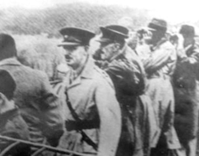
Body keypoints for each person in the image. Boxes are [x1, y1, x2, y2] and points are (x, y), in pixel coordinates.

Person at [0, 33, 64, 146]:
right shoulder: (39, 77)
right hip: (33, 147)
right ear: (15, 52)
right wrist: (53, 141)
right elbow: (55, 122)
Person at [57, 27, 121, 156]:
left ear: (86, 49)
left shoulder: (99, 80)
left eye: (73, 49)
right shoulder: (68, 76)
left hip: (88, 146)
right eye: (65, 48)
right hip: (66, 145)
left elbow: (111, 124)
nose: (66, 53)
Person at [95, 25, 157, 156]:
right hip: (133, 105)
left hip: (132, 110)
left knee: (128, 145)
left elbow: (102, 76)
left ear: (116, 46)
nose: (100, 48)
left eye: (104, 45)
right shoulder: (124, 51)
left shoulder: (123, 63)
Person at [136, 18, 182, 156]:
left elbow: (146, 65)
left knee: (155, 124)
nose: (149, 34)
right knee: (151, 124)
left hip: (159, 87)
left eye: (152, 32)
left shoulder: (167, 47)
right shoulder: (152, 47)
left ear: (161, 33)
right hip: (151, 86)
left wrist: (143, 47)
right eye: (149, 31)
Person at [173, 24, 199, 156]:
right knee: (177, 132)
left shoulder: (196, 50)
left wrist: (181, 49)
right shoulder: (176, 48)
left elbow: (190, 65)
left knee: (190, 133)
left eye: (183, 37)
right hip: (176, 95)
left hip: (190, 95)